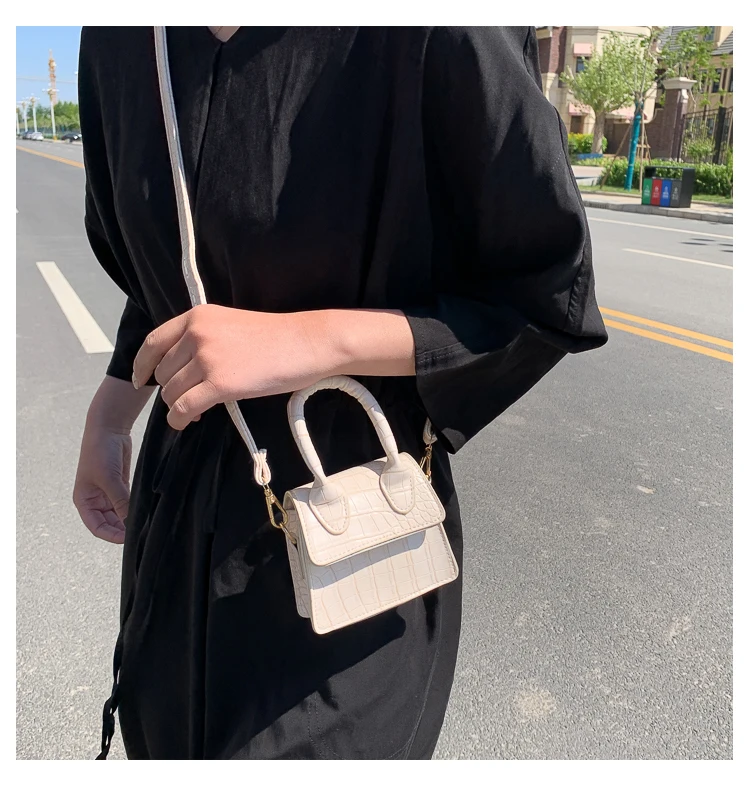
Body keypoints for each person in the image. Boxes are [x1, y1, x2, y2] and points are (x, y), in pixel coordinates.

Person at [73, 26, 607, 760]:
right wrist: (110, 415)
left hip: (355, 517)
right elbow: (168, 268)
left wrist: (308, 341)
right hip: (178, 521)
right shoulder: (122, 39)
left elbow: (546, 298)